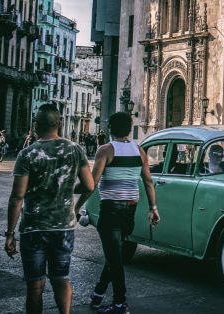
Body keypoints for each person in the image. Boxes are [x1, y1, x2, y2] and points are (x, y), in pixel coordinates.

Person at [5, 104, 94, 314]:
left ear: (35, 125)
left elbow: (17, 197)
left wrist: (10, 233)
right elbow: (89, 185)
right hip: (64, 227)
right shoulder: (75, 149)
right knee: (61, 280)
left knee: (35, 285)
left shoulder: (27, 154)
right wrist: (69, 191)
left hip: (34, 228)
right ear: (60, 123)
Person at [76, 112, 159, 314]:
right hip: (130, 211)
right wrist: (153, 208)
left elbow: (92, 184)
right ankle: (98, 294)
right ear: (130, 129)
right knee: (114, 256)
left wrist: (75, 204)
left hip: (111, 211)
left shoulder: (105, 150)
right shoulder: (139, 151)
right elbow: (148, 181)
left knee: (115, 259)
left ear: (110, 129)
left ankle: (120, 304)